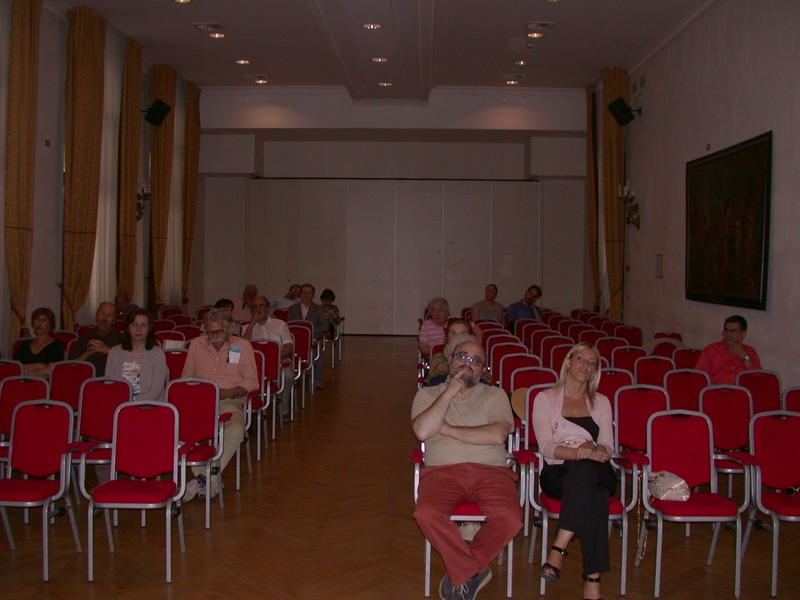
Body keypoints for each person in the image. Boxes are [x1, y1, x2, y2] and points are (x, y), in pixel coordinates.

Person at [412, 339, 522, 600]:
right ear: (450, 360)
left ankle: (463, 570)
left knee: (510, 518)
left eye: (476, 361)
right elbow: (422, 430)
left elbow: (497, 435)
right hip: (443, 472)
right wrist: (449, 392)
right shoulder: (427, 395)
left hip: (492, 473)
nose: (467, 364)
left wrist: (448, 430)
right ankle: (473, 572)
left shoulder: (495, 395)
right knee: (426, 513)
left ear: (483, 371)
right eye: (462, 357)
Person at [531, 342, 614, 600]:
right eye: (580, 358)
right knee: (595, 496)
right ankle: (592, 580)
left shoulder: (601, 402)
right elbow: (546, 447)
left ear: (595, 372)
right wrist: (580, 452)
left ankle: (558, 550)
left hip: (598, 469)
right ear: (568, 362)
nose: (585, 366)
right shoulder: (544, 399)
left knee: (585, 473)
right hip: (559, 472)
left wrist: (591, 449)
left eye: (591, 363)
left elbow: (608, 446)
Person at [181, 308, 258, 501]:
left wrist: (230, 392)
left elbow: (252, 381)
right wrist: (200, 393)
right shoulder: (196, 345)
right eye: (210, 332)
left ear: (229, 329)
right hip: (199, 402)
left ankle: (204, 478)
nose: (214, 337)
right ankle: (210, 479)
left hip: (228, 400)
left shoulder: (242, 346)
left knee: (236, 429)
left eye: (219, 332)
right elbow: (186, 378)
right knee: (172, 431)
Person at [242, 296, 295, 417]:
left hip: (278, 361)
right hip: (254, 365)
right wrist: (251, 324)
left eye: (261, 306)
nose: (258, 309)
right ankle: (250, 410)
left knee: (288, 375)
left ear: (267, 309)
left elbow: (288, 347)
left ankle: (283, 409)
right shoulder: (246, 328)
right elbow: (242, 347)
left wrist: (274, 359)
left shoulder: (280, 324)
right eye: (255, 306)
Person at [105, 309, 167, 402]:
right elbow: (109, 384)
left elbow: (156, 390)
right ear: (127, 328)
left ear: (149, 329)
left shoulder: (157, 354)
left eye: (143, 325)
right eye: (134, 324)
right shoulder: (115, 352)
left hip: (148, 404)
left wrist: (133, 405)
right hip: (119, 404)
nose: (139, 329)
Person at [695, 315, 762, 385]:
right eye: (727, 331)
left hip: (740, 393)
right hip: (714, 391)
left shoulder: (750, 352)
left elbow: (758, 376)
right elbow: (698, 376)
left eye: (734, 331)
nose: (729, 335)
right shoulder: (711, 350)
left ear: (743, 334)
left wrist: (743, 354)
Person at [287, 284, 328, 389]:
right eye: (304, 292)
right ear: (300, 294)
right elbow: (288, 325)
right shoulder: (292, 308)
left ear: (313, 295)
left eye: (309, 293)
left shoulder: (318, 309)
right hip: (296, 341)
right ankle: (292, 377)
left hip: (312, 339)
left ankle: (317, 379)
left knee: (316, 350)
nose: (306, 295)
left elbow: (324, 326)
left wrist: (310, 331)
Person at [70, 302, 125, 376]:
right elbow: (70, 366)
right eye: (102, 313)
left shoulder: (122, 339)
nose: (104, 318)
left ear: (114, 321)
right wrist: (87, 353)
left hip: (111, 383)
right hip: (85, 382)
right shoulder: (84, 338)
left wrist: (108, 350)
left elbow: (129, 364)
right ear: (96, 315)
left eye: (109, 316)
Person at [427, 318, 484, 385]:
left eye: (463, 333)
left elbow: (486, 380)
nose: (458, 337)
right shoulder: (438, 359)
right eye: (453, 333)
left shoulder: (477, 358)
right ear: (447, 336)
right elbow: (434, 384)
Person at [13, 307, 64, 377]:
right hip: (21, 383)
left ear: (50, 325)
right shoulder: (24, 344)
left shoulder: (56, 345)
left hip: (44, 385)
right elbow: (15, 367)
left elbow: (50, 371)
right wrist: (37, 366)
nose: (39, 323)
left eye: (44, 320)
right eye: (37, 319)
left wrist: (25, 373)